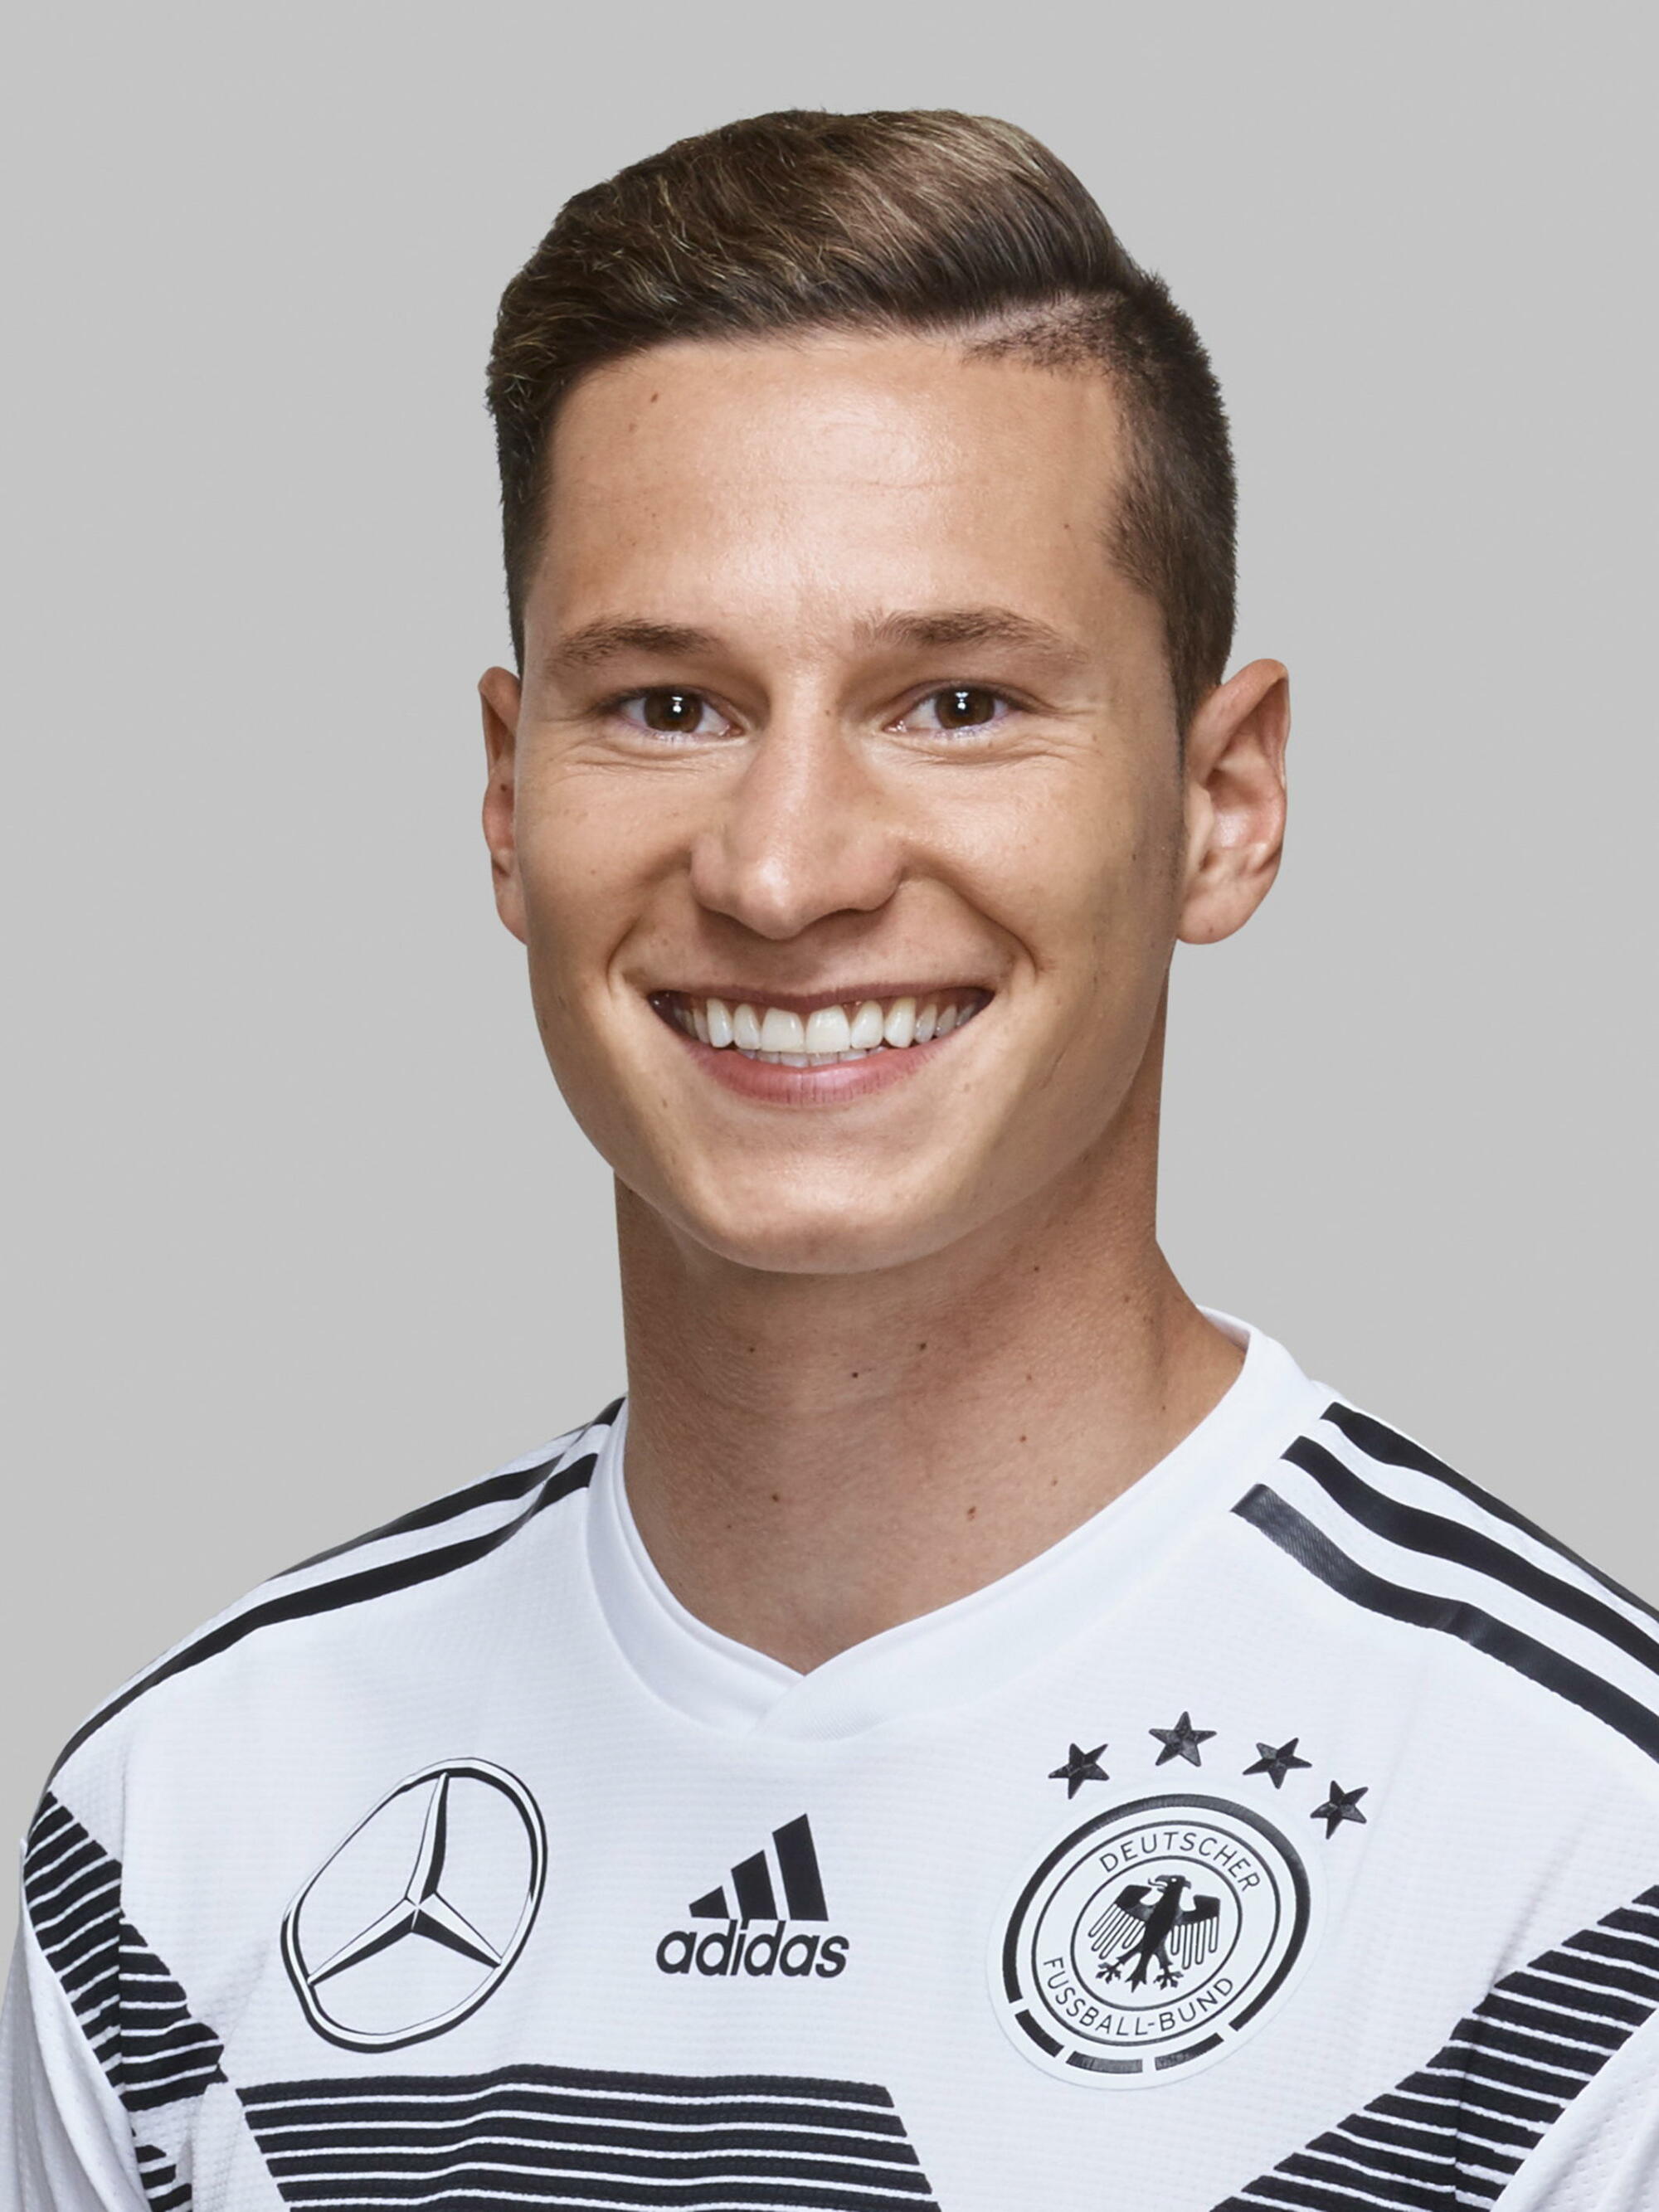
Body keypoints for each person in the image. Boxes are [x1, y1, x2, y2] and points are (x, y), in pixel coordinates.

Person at [2, 106, 1654, 2212]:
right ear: (506, 802)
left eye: (955, 701)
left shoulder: (1577, 1876)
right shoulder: (178, 1837)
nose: (783, 871)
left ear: (1223, 805)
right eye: (667, 706)